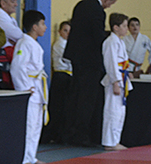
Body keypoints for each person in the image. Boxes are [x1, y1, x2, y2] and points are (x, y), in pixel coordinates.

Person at [63, 0, 117, 147]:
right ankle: (81, 135)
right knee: (87, 99)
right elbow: (97, 36)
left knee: (76, 95)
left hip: (76, 57)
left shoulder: (81, 4)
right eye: (111, 2)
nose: (110, 5)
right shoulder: (97, 11)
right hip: (90, 60)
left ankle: (69, 132)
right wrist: (111, 40)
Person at [11, 10, 48, 164]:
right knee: (30, 124)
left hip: (38, 87)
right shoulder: (24, 43)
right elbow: (17, 67)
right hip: (30, 88)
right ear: (34, 26)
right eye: (42, 24)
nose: (45, 27)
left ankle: (31, 156)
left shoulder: (33, 43)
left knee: (37, 124)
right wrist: (24, 87)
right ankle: (25, 157)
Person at [101, 12, 131, 151]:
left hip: (122, 77)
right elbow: (111, 63)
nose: (127, 28)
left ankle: (115, 140)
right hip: (115, 80)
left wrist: (128, 73)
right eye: (124, 26)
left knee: (120, 112)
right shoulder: (110, 42)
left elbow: (122, 62)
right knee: (112, 112)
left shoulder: (119, 41)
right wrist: (115, 81)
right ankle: (109, 142)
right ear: (115, 27)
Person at [42, 20, 72, 143]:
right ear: (59, 32)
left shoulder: (69, 43)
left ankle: (60, 135)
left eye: (70, 31)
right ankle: (51, 135)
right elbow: (69, 60)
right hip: (61, 76)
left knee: (65, 108)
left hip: (68, 76)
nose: (68, 33)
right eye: (65, 30)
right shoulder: (60, 44)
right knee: (58, 107)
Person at [0, 0, 23, 89]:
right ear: (3, 3)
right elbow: (18, 35)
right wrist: (15, 40)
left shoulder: (10, 18)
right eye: (13, 2)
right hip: (1, 58)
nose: (16, 5)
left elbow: (19, 38)